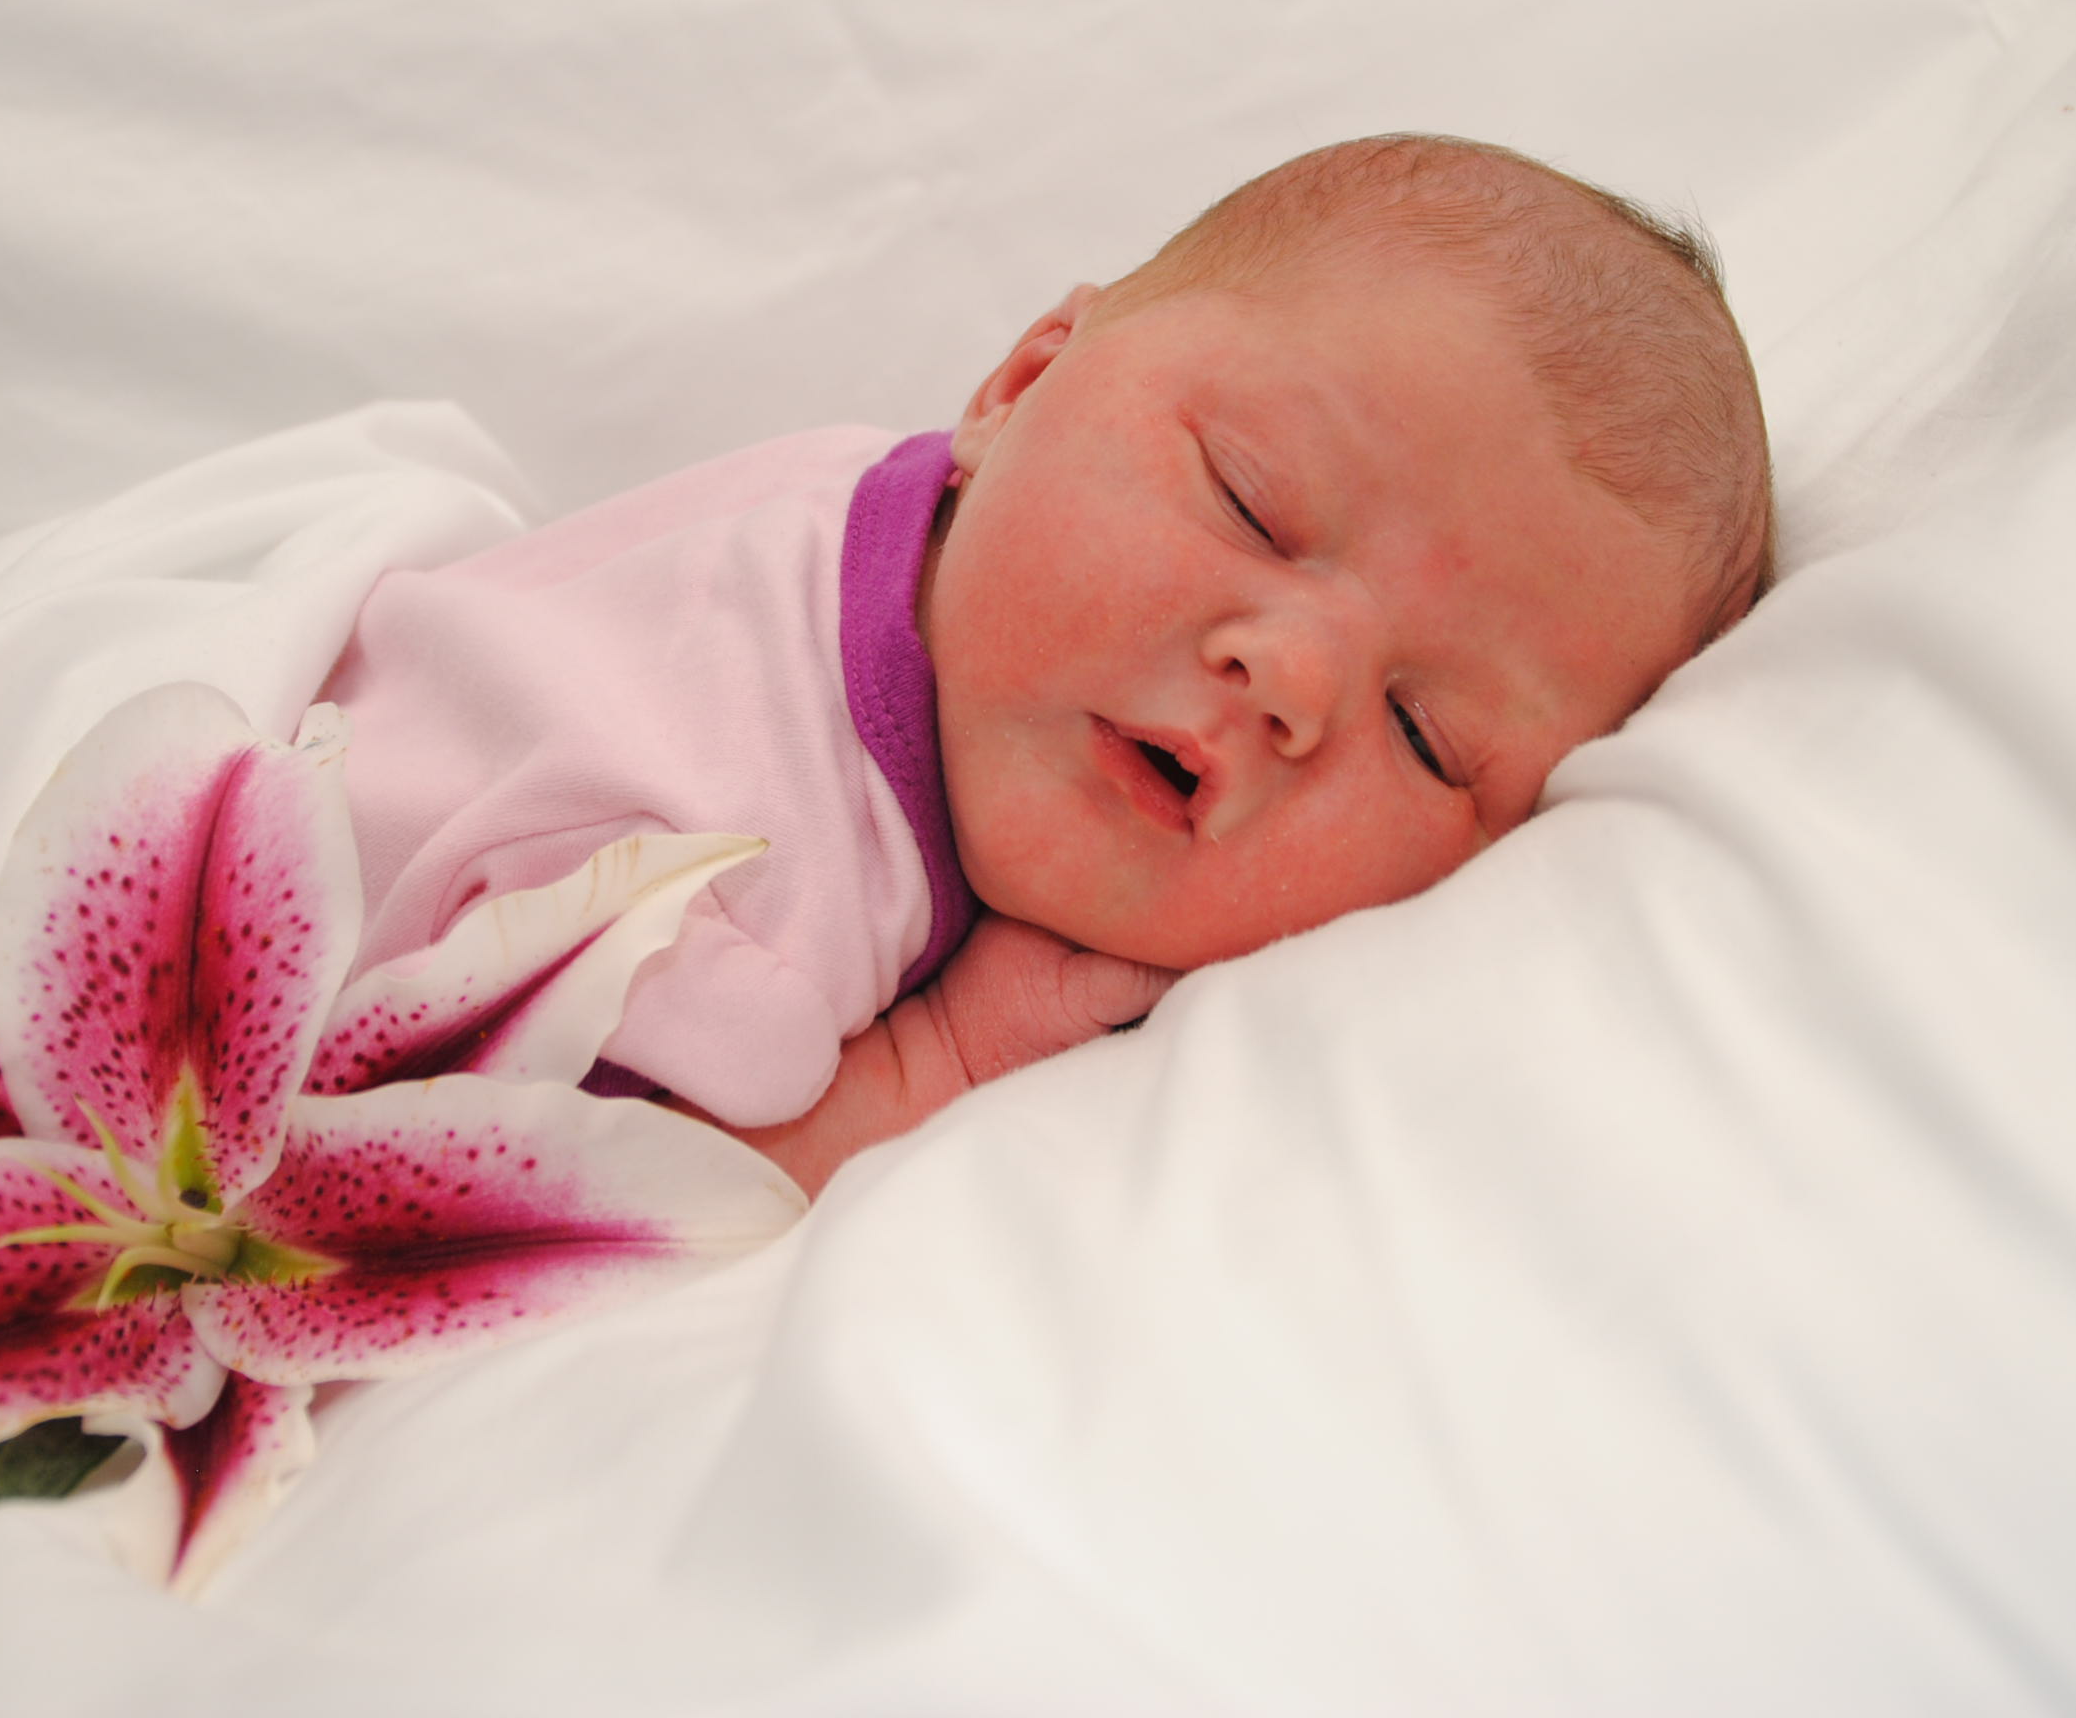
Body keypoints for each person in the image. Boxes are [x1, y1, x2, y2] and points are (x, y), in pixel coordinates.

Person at [324, 133, 1771, 1195]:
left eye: (1426, 735)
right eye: (1254, 504)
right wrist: (935, 1065)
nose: (1292, 679)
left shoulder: (914, 525)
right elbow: (518, 1214)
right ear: (1022, 383)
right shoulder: (729, 873)